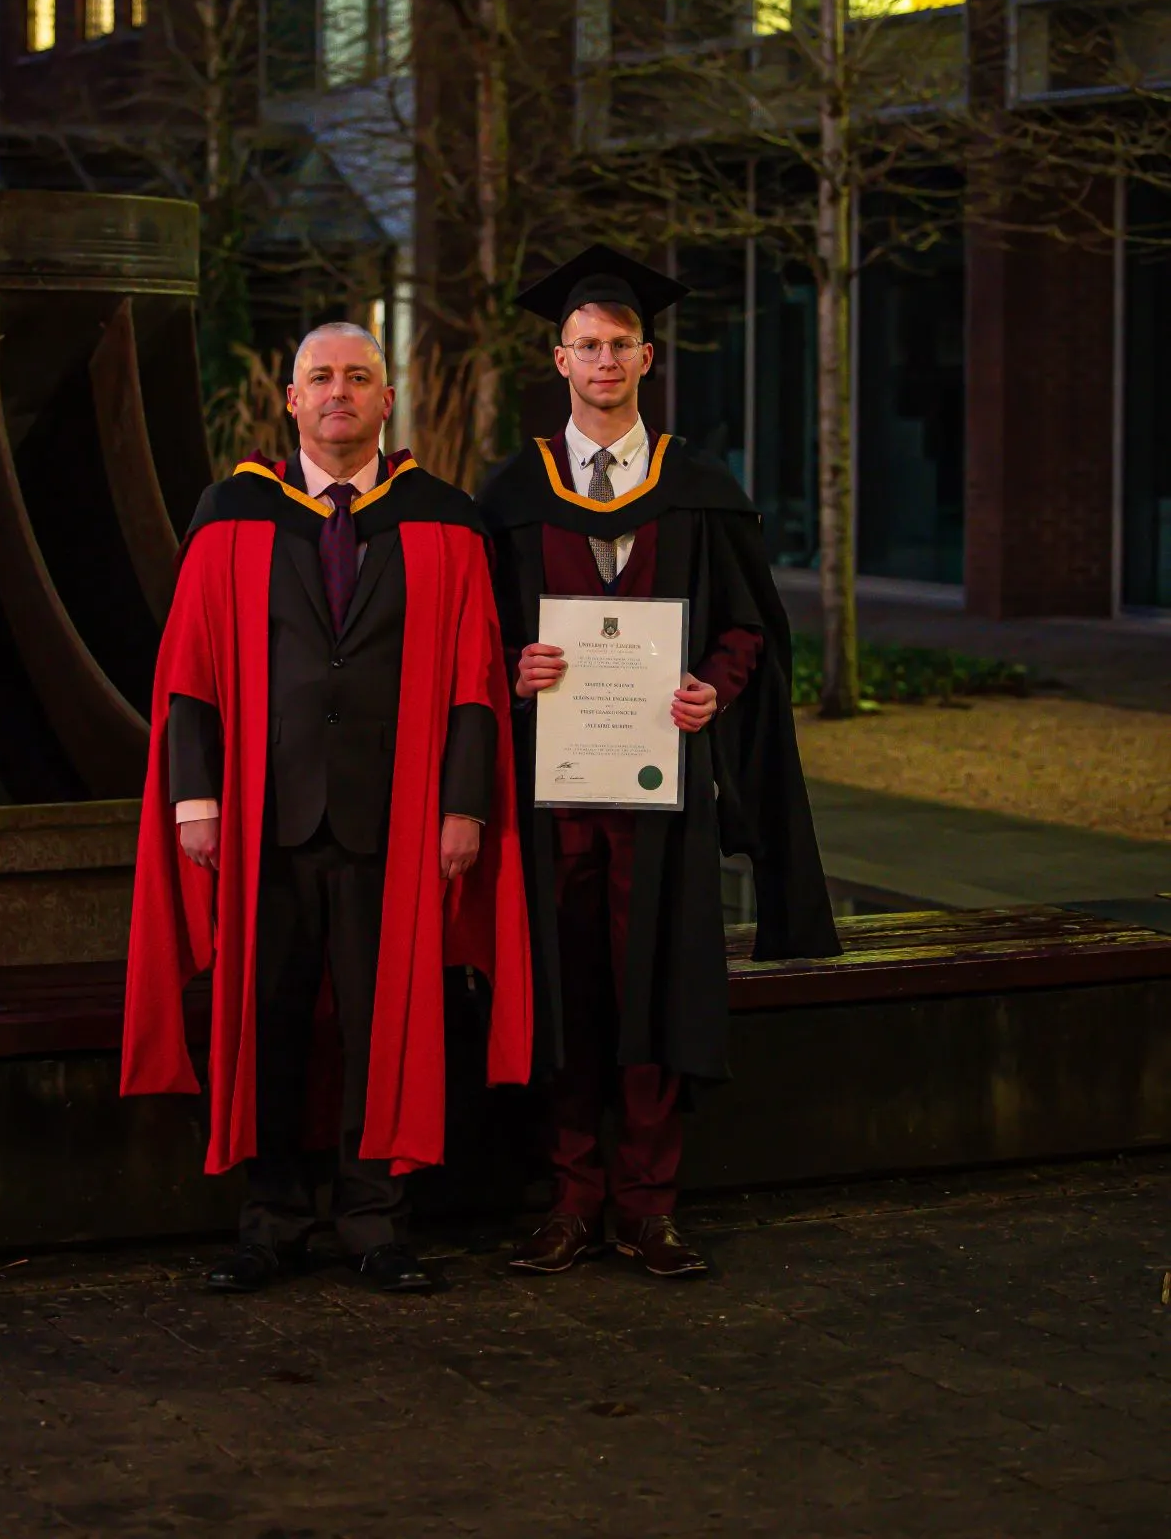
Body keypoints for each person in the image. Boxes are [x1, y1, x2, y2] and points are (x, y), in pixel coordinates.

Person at [122, 322, 532, 1295]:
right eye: (321, 377)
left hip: (396, 820)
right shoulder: (231, 512)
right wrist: (195, 795)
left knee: (383, 1018)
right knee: (263, 1019)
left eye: (359, 376)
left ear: (387, 401)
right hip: (264, 816)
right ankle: (270, 1219)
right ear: (292, 399)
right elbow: (188, 672)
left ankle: (373, 1219)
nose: (339, 391)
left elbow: (476, 676)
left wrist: (463, 806)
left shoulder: (443, 515)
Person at [479, 247, 839, 1280]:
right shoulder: (510, 494)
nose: (604, 360)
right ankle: (572, 1196)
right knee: (568, 995)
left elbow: (747, 630)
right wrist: (510, 663)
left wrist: (711, 690)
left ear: (650, 355)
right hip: (551, 804)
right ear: (559, 357)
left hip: (659, 800)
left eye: (620, 344)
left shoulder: (700, 490)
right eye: (586, 344)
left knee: (658, 991)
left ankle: (648, 1205)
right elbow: (469, 638)